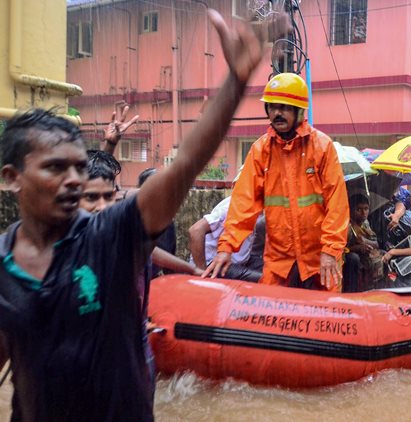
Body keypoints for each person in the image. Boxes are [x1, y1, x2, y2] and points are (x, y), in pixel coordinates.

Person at [0, 9, 289, 420]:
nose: (72, 181)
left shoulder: (108, 234)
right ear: (12, 178)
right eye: (53, 168)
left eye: (77, 167)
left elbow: (185, 163)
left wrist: (236, 81)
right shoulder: (3, 266)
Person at [205, 72, 349, 293]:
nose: (277, 113)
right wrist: (226, 248)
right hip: (278, 263)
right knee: (273, 319)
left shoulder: (322, 147)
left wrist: (330, 251)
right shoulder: (261, 151)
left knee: (323, 320)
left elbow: (337, 206)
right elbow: (243, 204)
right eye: (272, 107)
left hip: (320, 260)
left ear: (299, 111)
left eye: (284, 107)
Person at [189, 198, 265, 282]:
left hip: (243, 260)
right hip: (215, 263)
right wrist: (202, 272)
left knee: (275, 272)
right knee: (265, 279)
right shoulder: (232, 206)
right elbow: (196, 230)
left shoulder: (258, 207)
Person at [343, 194, 384, 292]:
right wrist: (358, 247)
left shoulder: (365, 223)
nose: (363, 213)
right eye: (359, 209)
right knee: (354, 259)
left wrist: (365, 242)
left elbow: (376, 243)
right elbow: (342, 248)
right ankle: (352, 292)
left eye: (366, 209)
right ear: (351, 210)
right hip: (347, 255)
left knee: (384, 255)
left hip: (364, 252)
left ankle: (379, 289)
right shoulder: (347, 225)